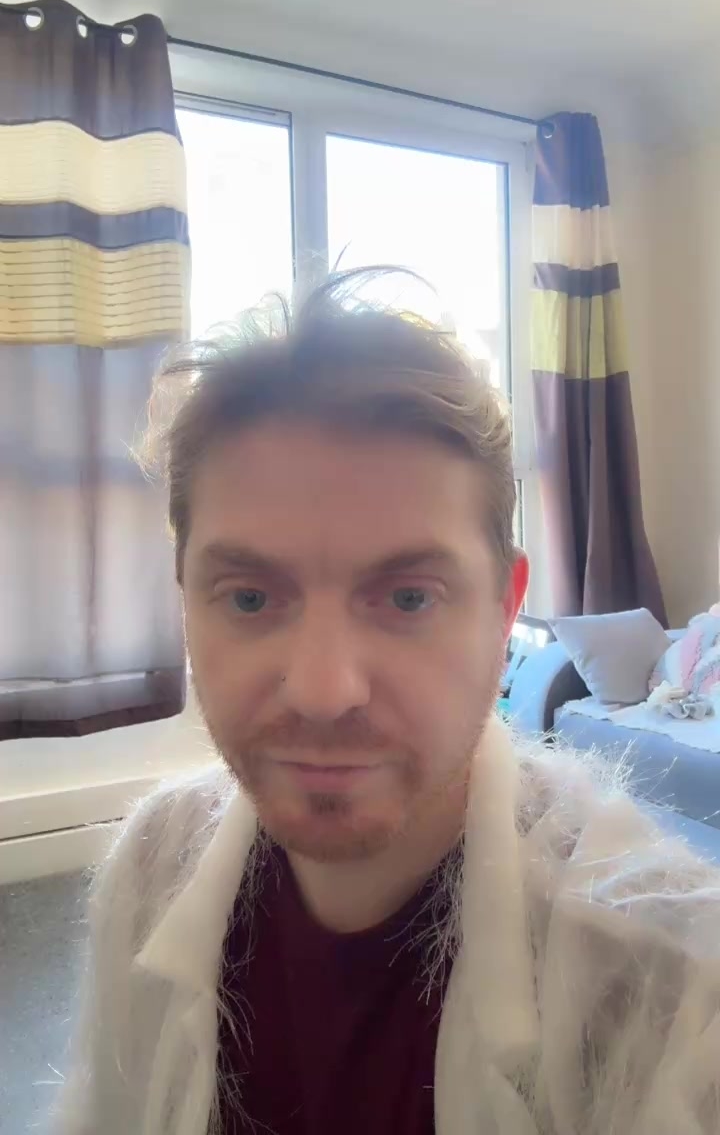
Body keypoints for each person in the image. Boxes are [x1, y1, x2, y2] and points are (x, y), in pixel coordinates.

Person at [54, 273, 720, 1135]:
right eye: (250, 598)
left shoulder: (675, 990)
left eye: (408, 598)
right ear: (185, 600)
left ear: (504, 610)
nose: (325, 693)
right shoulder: (151, 862)